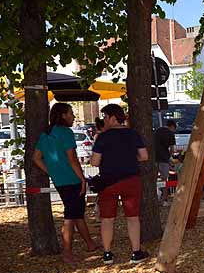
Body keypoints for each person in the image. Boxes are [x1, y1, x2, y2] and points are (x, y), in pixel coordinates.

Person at [32, 103, 98, 264]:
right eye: (71, 113)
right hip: (72, 179)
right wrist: (82, 178)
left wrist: (52, 171)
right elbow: (72, 158)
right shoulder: (65, 132)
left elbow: (36, 158)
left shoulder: (46, 134)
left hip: (60, 181)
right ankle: (67, 253)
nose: (73, 117)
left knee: (76, 213)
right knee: (70, 216)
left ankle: (90, 244)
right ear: (63, 115)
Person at [90, 104, 150, 264]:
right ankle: (136, 252)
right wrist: (129, 159)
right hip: (131, 180)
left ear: (112, 117)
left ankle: (107, 254)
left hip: (108, 182)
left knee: (107, 218)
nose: (103, 120)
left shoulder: (103, 137)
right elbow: (144, 156)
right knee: (132, 217)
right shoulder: (133, 134)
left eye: (105, 117)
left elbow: (95, 162)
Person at [154, 119, 176, 206]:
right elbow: (172, 149)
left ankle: (154, 198)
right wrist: (169, 157)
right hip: (164, 159)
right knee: (165, 180)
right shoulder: (171, 134)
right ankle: (164, 200)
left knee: (153, 179)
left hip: (154, 158)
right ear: (172, 127)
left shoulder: (157, 130)